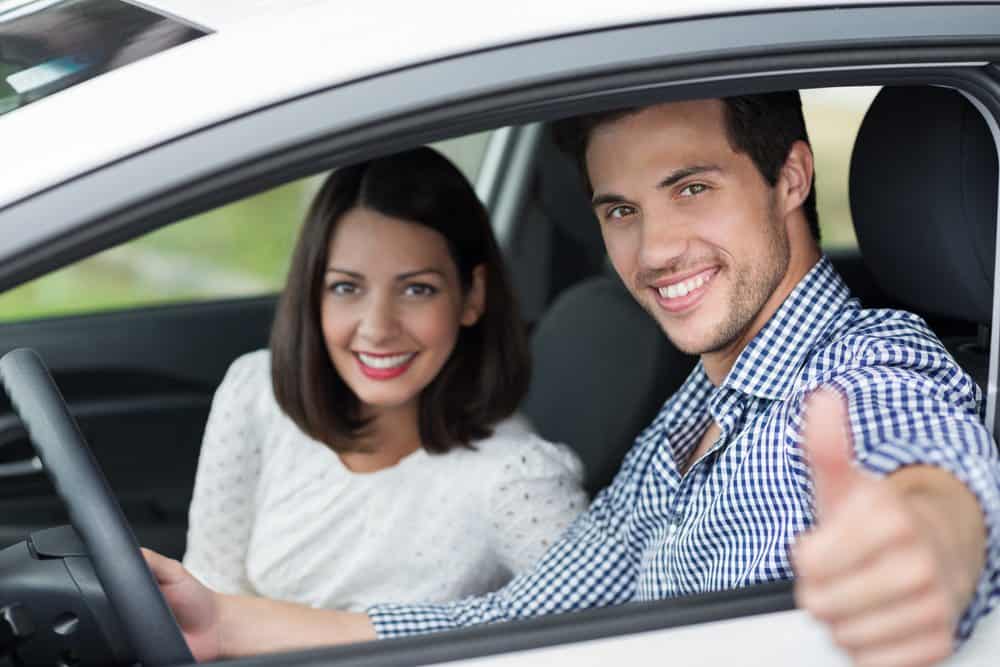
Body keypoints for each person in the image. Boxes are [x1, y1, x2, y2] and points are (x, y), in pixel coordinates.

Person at [145, 93, 1000, 666]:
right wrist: (226, 622)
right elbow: (526, 619)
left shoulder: (866, 362)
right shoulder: (690, 414)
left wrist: (925, 544)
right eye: (620, 210)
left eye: (692, 188)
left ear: (790, 178)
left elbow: (930, 469)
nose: (654, 250)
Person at [176, 147, 587, 618]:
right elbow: (209, 593)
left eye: (417, 289)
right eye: (346, 288)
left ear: (472, 295)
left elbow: (610, 641)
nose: (377, 327)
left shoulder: (518, 477)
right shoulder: (256, 392)